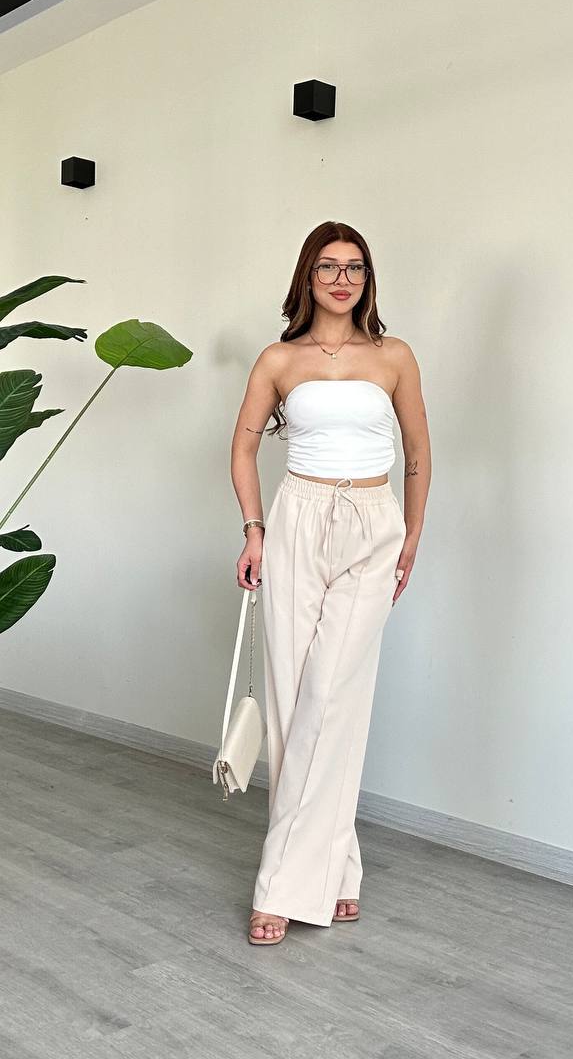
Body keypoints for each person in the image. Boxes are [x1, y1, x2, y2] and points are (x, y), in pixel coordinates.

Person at [230, 221, 431, 945]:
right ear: (307, 278)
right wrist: (255, 529)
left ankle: (279, 886)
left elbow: (418, 450)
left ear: (367, 278)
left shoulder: (394, 356)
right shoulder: (279, 358)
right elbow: (243, 446)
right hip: (297, 517)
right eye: (327, 267)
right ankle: (339, 869)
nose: (342, 280)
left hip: (372, 521)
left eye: (354, 268)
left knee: (333, 693)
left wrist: (412, 534)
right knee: (295, 699)